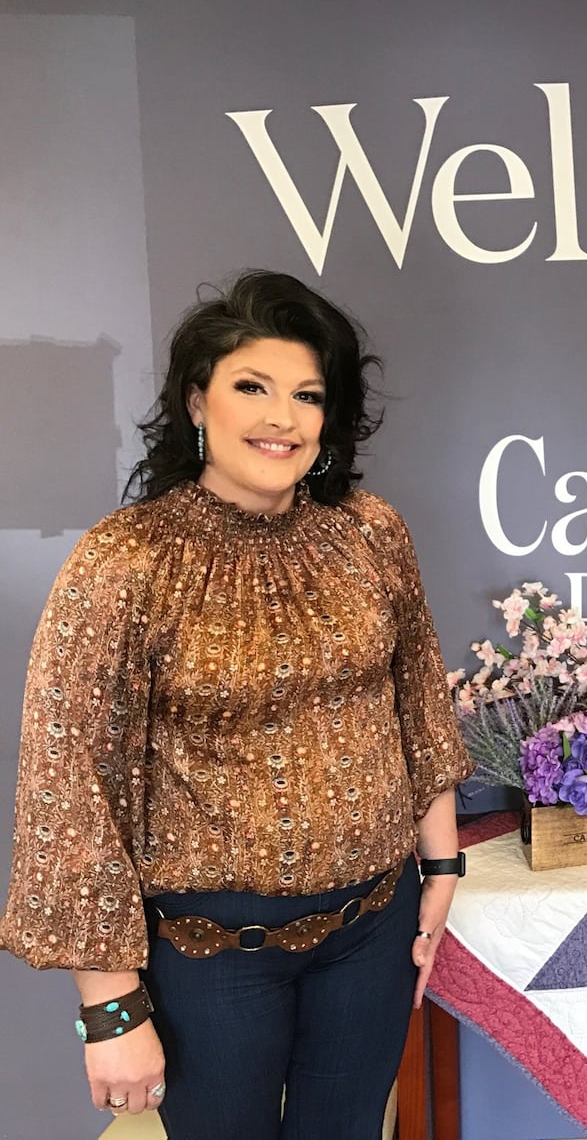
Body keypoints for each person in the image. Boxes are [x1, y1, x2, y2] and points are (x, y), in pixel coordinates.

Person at [0, 271, 475, 1139]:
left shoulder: (370, 531)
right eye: (251, 387)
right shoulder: (126, 562)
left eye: (306, 395)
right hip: (210, 958)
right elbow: (69, 787)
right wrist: (110, 1011)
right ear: (196, 401)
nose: (281, 418)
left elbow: (415, 700)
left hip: (374, 929)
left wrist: (440, 868)